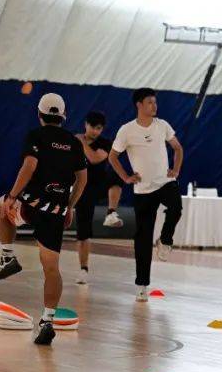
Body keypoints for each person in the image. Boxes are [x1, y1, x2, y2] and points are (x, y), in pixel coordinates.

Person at [0, 93, 87, 346]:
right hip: (56, 211)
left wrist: (13, 195)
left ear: (39, 115)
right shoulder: (74, 142)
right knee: (52, 269)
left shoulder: (35, 136)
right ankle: (47, 320)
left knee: (2, 205)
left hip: (32, 205)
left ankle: (8, 256)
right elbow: (82, 179)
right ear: (63, 116)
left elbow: (29, 167)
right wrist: (70, 207)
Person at [108, 88, 184, 302]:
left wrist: (175, 170)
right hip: (142, 190)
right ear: (139, 105)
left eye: (155, 102)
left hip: (165, 182)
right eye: (150, 102)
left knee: (176, 208)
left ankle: (166, 239)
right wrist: (125, 177)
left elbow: (178, 149)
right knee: (142, 238)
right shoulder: (127, 130)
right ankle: (142, 285)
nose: (154, 106)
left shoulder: (162, 126)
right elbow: (113, 157)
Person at [74, 110, 113, 285]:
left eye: (99, 128)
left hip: (98, 186)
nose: (95, 131)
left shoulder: (104, 143)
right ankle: (83, 269)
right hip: (79, 187)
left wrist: (81, 141)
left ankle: (112, 211)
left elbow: (94, 158)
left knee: (117, 177)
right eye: (93, 127)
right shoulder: (74, 141)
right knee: (83, 230)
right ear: (86, 125)